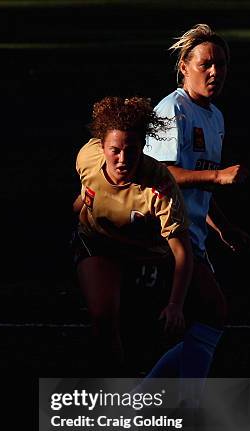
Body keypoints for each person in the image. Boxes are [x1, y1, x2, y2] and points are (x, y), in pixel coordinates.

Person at [143, 23, 250, 384]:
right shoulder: (171, 110)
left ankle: (140, 401)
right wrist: (218, 177)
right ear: (184, 67)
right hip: (167, 232)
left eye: (221, 65)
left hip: (195, 234)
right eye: (205, 64)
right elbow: (159, 173)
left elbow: (197, 183)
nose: (214, 72)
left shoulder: (214, 115)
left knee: (206, 323)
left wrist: (222, 226)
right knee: (213, 314)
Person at [73, 95, 193, 373]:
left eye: (132, 150)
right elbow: (87, 188)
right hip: (97, 243)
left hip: (145, 256)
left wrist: (176, 305)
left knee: (147, 333)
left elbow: (181, 250)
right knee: (104, 318)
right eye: (114, 150)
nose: (123, 159)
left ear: (143, 147)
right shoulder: (86, 157)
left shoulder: (160, 184)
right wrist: (82, 202)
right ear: (101, 147)